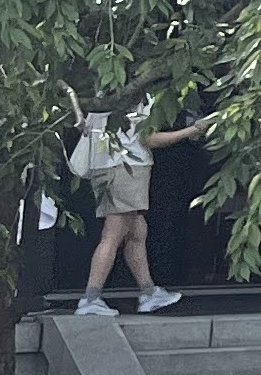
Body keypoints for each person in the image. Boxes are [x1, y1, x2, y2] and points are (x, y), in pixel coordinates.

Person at [68, 105, 203, 316]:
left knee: (137, 231)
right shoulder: (138, 98)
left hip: (108, 165)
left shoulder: (109, 94)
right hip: (126, 166)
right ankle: (90, 298)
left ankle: (148, 292)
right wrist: (191, 131)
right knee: (113, 233)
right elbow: (148, 138)